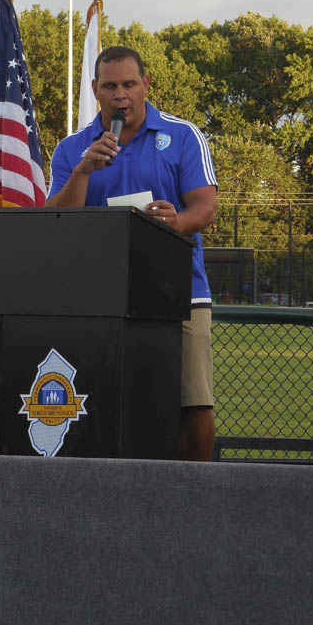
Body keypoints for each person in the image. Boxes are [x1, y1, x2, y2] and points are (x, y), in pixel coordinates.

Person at [45, 45, 218, 461]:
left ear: (145, 85)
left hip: (177, 292)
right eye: (109, 86)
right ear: (95, 90)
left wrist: (175, 222)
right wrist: (85, 170)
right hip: (97, 297)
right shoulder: (73, 149)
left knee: (192, 401)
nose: (120, 95)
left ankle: (195, 493)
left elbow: (206, 208)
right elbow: (54, 221)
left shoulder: (181, 135)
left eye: (128, 84)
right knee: (99, 397)